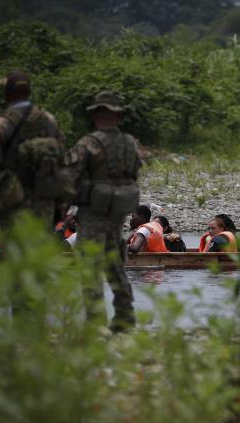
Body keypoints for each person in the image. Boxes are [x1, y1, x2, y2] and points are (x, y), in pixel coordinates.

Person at [63, 91, 142, 333]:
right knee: (115, 264)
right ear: (118, 115)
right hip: (117, 214)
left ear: (98, 113)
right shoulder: (130, 143)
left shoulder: (88, 143)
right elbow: (134, 174)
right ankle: (125, 317)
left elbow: (69, 178)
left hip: (93, 214)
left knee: (90, 266)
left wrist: (64, 208)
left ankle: (95, 321)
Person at [0, 71, 69, 241]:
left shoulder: (0, 125)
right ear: (29, 92)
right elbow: (61, 167)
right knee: (40, 262)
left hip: (12, 207)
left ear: (7, 94)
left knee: (13, 261)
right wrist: (60, 208)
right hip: (44, 207)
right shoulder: (50, 121)